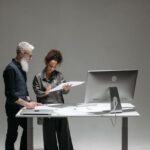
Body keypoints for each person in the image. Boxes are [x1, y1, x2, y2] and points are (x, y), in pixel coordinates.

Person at [33, 49, 74, 150]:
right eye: (51, 66)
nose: (52, 68)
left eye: (55, 66)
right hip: (46, 111)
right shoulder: (38, 77)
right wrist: (45, 92)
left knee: (64, 137)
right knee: (49, 139)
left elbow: (64, 91)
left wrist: (66, 89)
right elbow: (37, 91)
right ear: (46, 62)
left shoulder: (59, 75)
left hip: (60, 109)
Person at [3, 41, 41, 150]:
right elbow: (10, 94)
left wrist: (31, 101)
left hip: (22, 107)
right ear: (22, 53)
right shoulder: (10, 69)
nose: (31, 58)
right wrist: (27, 104)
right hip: (13, 107)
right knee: (12, 135)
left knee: (28, 129)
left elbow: (24, 89)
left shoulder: (22, 68)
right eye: (30, 55)